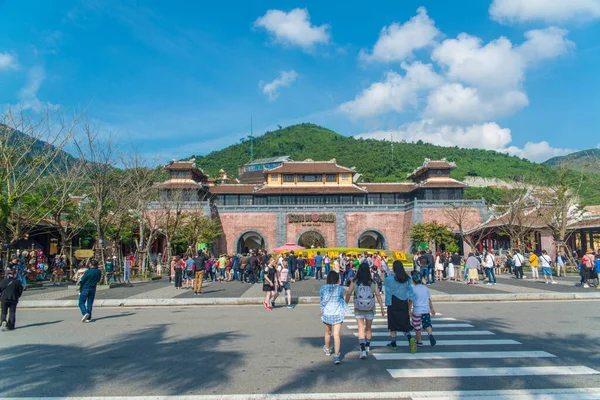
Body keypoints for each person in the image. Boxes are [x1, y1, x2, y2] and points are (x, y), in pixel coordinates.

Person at [345, 263, 385, 359]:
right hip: (370, 308)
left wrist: (344, 304)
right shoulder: (372, 282)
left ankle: (362, 348)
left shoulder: (355, 282)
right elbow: (378, 295)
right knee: (368, 328)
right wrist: (382, 307)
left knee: (360, 328)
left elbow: (349, 293)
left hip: (359, 308)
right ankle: (367, 345)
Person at [384, 261, 416, 352]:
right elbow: (410, 292)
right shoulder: (407, 279)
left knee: (392, 324)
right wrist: (411, 307)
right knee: (404, 323)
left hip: (393, 302)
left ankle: (393, 343)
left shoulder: (388, 279)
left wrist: (387, 303)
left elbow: (387, 293)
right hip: (403, 302)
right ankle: (409, 338)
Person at [320, 271, 350, 365]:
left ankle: (328, 349)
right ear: (337, 279)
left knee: (327, 333)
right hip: (337, 313)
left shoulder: (323, 288)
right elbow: (341, 298)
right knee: (336, 335)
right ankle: (337, 356)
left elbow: (322, 299)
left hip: (327, 313)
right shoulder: (340, 289)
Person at [410, 270, 437, 347]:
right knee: (427, 324)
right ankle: (430, 334)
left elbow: (410, 301)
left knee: (417, 326)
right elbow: (429, 299)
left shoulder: (413, 289)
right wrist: (432, 308)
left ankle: (419, 341)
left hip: (417, 311)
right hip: (425, 310)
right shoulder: (425, 288)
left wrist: (409, 310)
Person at [0, 266, 24, 331]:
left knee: (3, 312)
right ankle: (11, 325)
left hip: (4, 298)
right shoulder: (17, 282)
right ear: (13, 275)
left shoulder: (2, 281)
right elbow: (20, 290)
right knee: (12, 312)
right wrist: (17, 296)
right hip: (13, 298)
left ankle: (3, 321)